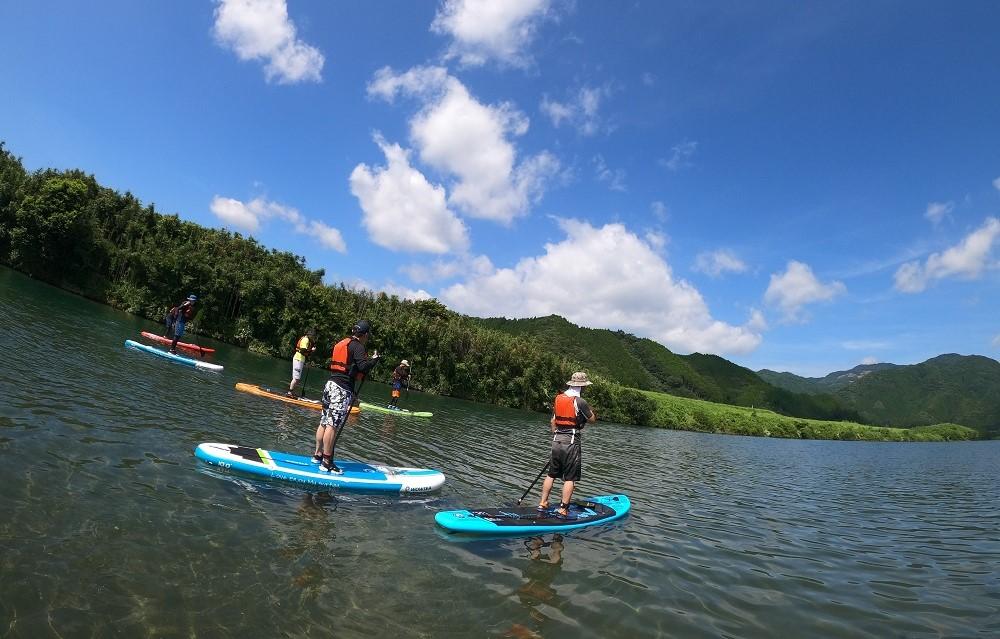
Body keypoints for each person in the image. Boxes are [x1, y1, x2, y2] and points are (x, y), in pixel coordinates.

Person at [312, 320, 380, 473]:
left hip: (330, 385)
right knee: (332, 425)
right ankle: (326, 462)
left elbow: (353, 368)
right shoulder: (358, 346)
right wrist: (374, 361)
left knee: (324, 421)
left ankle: (317, 455)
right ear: (365, 334)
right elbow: (363, 366)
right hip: (340, 389)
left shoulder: (343, 343)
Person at [538, 371, 597, 517]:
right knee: (570, 478)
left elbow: (553, 421)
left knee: (551, 474)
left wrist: (556, 434)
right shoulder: (580, 401)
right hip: (571, 442)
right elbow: (592, 419)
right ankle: (563, 508)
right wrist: (589, 411)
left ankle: (543, 503)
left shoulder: (558, 398)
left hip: (556, 440)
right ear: (582, 387)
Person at [288, 328, 317, 397]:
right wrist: (311, 351)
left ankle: (291, 392)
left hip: (300, 359)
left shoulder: (307, 340)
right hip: (298, 359)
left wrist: (310, 351)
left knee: (297, 378)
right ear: (309, 334)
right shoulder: (305, 339)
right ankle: (290, 392)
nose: (313, 337)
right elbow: (303, 350)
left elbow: (305, 352)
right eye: (312, 335)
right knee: (296, 378)